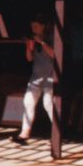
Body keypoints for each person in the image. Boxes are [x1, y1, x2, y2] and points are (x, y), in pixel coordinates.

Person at [14, 13, 56, 144]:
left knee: (48, 103)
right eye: (32, 26)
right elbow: (29, 58)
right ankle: (24, 133)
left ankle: (57, 133)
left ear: (43, 26)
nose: (33, 28)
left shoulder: (52, 37)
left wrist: (42, 42)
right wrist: (28, 47)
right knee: (28, 102)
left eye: (36, 26)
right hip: (36, 77)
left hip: (50, 76)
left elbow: (54, 54)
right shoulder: (33, 39)